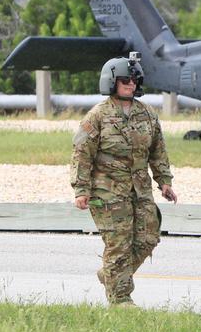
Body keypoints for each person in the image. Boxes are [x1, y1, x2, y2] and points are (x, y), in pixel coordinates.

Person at [71, 55, 177, 306]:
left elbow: (158, 150)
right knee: (118, 242)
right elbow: (81, 153)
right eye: (125, 80)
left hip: (139, 189)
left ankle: (111, 273)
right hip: (107, 190)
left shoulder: (147, 114)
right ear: (111, 81)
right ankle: (120, 298)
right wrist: (81, 189)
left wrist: (164, 181)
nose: (131, 84)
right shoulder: (97, 116)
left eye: (134, 79)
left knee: (149, 236)